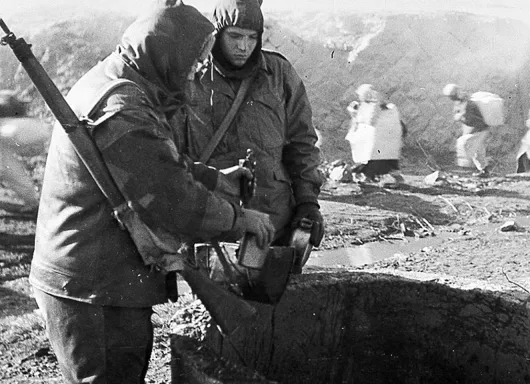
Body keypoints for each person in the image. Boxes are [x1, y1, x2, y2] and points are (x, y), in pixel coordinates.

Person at [29, 2, 275, 382]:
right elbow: (171, 201)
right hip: (94, 288)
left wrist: (218, 180)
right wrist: (241, 220)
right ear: (167, 53)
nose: (195, 72)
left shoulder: (125, 82)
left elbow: (157, 164)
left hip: (98, 280)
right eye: (193, 61)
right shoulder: (123, 106)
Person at [184, 0, 325, 248]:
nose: (243, 46)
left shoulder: (279, 74)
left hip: (273, 224)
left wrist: (307, 203)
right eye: (235, 36)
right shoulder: (191, 76)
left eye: (252, 37)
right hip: (214, 223)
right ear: (216, 33)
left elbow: (302, 143)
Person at [0, 91, 51, 213]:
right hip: (34, 129)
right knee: (6, 162)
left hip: (18, 129)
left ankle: (33, 201)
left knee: (6, 164)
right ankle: (33, 202)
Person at [345, 84, 406, 185]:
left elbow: (369, 122)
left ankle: (368, 178)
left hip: (378, 143)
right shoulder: (382, 106)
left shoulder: (372, 106)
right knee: (387, 162)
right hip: (386, 144)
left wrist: (354, 114)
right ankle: (393, 178)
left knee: (370, 161)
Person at [442, 83, 492, 178]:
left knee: (464, 143)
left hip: (480, 129)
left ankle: (466, 167)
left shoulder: (469, 103)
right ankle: (484, 171)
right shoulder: (461, 102)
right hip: (476, 129)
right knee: (478, 152)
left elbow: (470, 117)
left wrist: (461, 116)